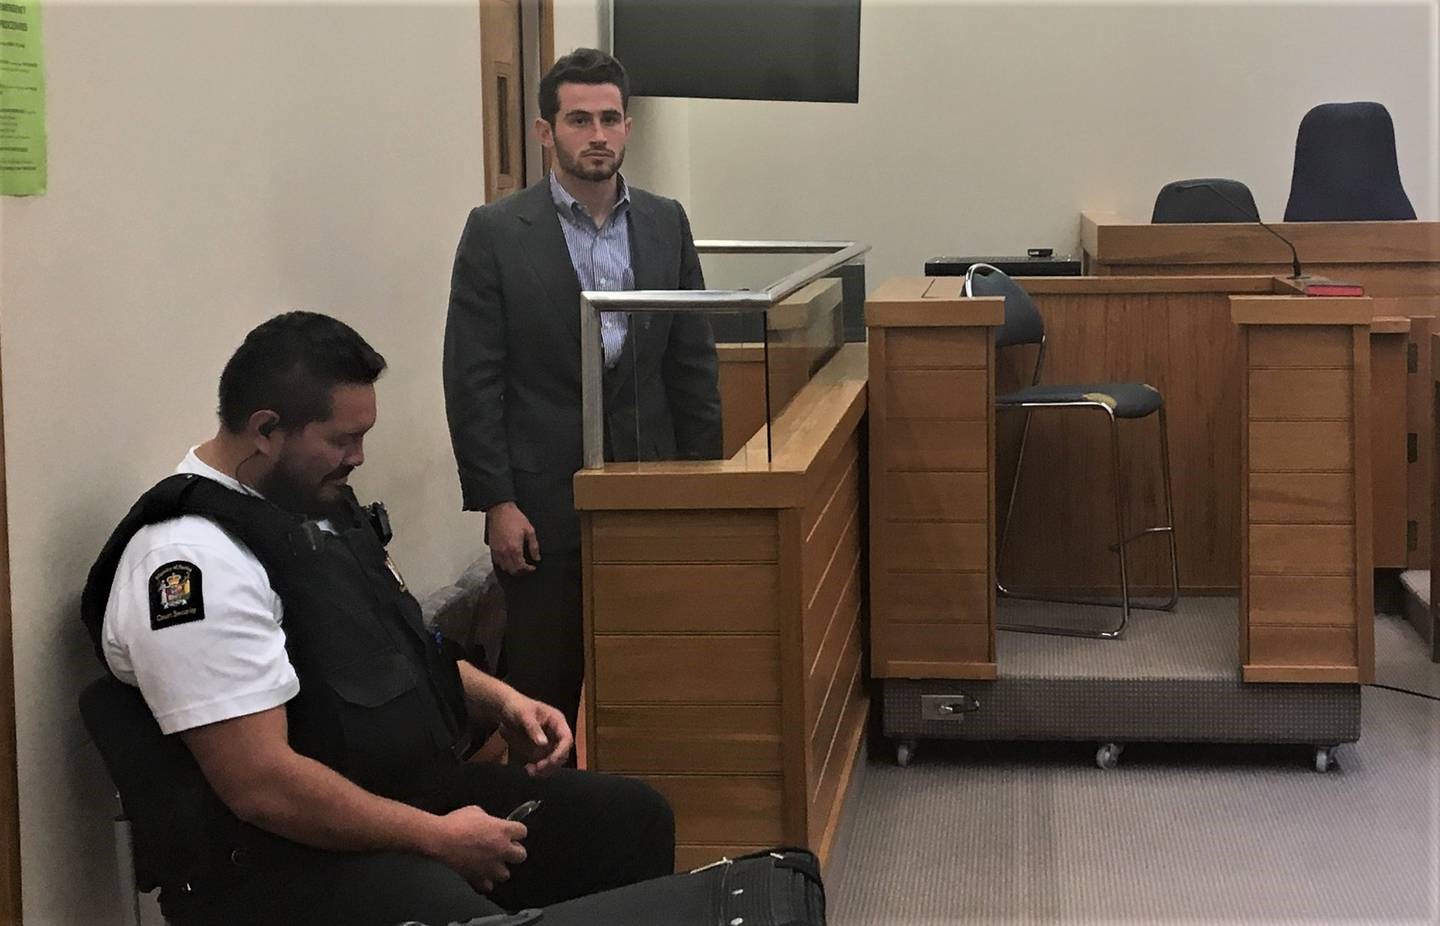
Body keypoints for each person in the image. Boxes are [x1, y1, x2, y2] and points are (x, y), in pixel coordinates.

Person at [80, 312, 674, 926]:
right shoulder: (194, 562)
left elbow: (393, 651)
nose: (358, 458)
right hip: (276, 864)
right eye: (343, 440)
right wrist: (437, 839)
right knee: (453, 908)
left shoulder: (304, 506)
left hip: (395, 797)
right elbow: (261, 785)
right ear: (265, 429)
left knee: (628, 820)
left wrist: (502, 702)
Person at [443, 48, 723, 736]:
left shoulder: (666, 221)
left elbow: (692, 365)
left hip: (649, 483)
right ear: (546, 131)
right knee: (544, 683)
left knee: (656, 670)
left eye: (609, 119)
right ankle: (546, 801)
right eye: (578, 120)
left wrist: (705, 483)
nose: (597, 134)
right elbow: (472, 377)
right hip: (541, 499)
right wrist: (497, 501)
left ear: (627, 127)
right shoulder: (496, 232)